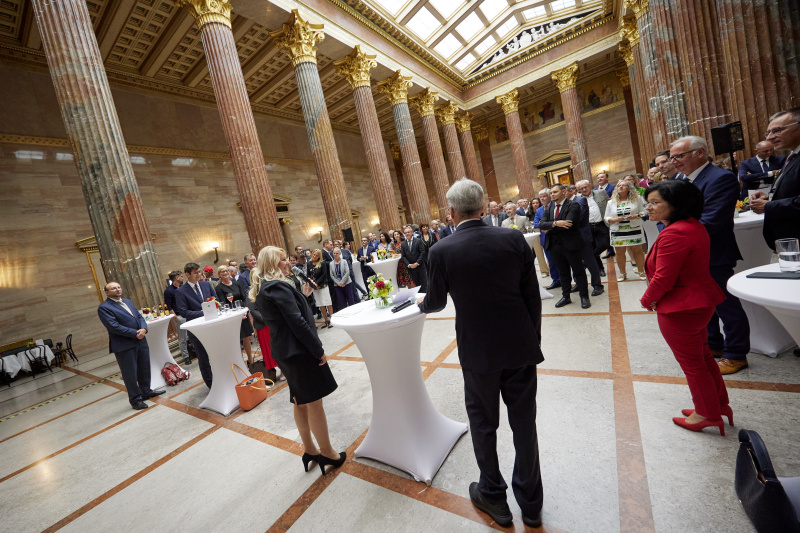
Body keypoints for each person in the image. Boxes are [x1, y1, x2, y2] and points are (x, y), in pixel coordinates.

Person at [418, 178, 544, 528]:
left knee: (483, 423)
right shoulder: (512, 238)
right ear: (484, 205)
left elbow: (437, 301)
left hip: (477, 351)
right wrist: (531, 339)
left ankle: (493, 494)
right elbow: (531, 295)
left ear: (452, 211)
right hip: (519, 345)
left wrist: (420, 303)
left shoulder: (441, 250)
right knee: (524, 424)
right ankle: (531, 504)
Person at [641, 180, 731, 435]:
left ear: (676, 205)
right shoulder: (691, 226)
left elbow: (664, 277)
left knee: (693, 364)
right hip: (698, 302)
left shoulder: (675, 232)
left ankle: (706, 413)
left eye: (655, 202)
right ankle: (718, 405)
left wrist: (647, 299)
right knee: (703, 357)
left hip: (681, 307)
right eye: (649, 202)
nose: (649, 207)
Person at [251, 246, 345, 475]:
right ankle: (328, 453)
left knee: (300, 401)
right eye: (283, 260)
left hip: (284, 352)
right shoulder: (278, 286)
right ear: (273, 264)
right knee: (314, 402)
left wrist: (302, 295)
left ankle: (311, 450)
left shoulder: (266, 288)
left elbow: (281, 317)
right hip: (299, 352)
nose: (288, 263)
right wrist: (317, 348)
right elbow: (297, 323)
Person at [670, 135, 751, 375]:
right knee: (702, 304)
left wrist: (676, 238)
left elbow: (712, 220)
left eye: (679, 156)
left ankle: (736, 353)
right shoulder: (680, 180)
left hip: (713, 252)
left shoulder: (720, 178)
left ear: (700, 153)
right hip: (689, 254)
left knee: (725, 304)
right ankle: (713, 344)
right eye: (672, 157)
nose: (674, 161)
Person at [98, 282, 165, 410]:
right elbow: (113, 326)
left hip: (140, 340)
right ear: (107, 293)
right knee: (130, 374)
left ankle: (146, 391)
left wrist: (144, 329)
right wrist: (135, 333)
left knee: (144, 367)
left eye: (118, 287)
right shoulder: (104, 307)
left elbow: (139, 317)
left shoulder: (128, 301)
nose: (117, 289)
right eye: (113, 288)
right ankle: (135, 400)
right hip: (124, 345)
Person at [751, 108, 800, 249]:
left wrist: (769, 206)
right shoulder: (792, 157)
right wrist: (771, 198)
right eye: (769, 132)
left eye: (778, 130)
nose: (769, 137)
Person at [539, 183, 590, 308]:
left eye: (555, 192)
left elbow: (569, 225)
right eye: (551, 193)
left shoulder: (573, 205)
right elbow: (541, 224)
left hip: (571, 244)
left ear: (564, 192)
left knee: (578, 271)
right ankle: (566, 296)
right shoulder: (549, 208)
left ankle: (584, 297)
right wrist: (556, 223)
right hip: (555, 246)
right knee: (563, 272)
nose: (552, 195)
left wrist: (550, 227)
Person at [175, 262, 215, 388]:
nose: (199, 275)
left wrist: (214, 307)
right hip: (196, 329)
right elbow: (183, 311)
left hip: (213, 326)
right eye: (196, 273)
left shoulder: (206, 284)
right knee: (203, 358)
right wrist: (201, 313)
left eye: (199, 272)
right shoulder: (181, 291)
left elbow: (216, 299)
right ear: (187, 274)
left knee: (217, 354)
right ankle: (211, 384)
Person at [604, 179, 647, 281]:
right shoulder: (611, 202)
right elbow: (606, 217)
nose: (621, 187)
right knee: (619, 252)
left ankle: (641, 271)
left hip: (634, 228)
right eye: (619, 186)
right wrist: (614, 219)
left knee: (637, 250)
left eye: (624, 185)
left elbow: (644, 212)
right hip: (617, 230)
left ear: (629, 188)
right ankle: (623, 273)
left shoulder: (637, 199)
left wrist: (636, 215)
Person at [215, 265, 255, 366]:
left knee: (247, 336)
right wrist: (236, 314)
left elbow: (244, 297)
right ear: (219, 275)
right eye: (222, 272)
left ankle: (250, 361)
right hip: (231, 315)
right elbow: (223, 303)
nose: (225, 273)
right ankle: (240, 362)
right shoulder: (219, 288)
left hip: (242, 311)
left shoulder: (236, 283)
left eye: (226, 271)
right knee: (237, 338)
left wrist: (245, 310)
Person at [570, 183, 605, 296]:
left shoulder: (580, 201)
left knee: (590, 260)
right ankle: (579, 283)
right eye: (581, 188)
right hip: (571, 237)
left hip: (584, 234)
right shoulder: (562, 204)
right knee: (575, 262)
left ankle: (597, 285)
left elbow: (578, 219)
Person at [577, 179, 610, 278]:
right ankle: (600, 269)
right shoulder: (577, 199)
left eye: (585, 187)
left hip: (601, 224)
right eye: (581, 188)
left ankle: (585, 261)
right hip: (587, 227)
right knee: (592, 247)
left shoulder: (601, 192)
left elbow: (609, 205)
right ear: (578, 190)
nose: (584, 189)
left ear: (590, 186)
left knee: (605, 244)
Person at [164, 270, 190, 365]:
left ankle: (192, 352)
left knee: (190, 335)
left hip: (187, 313)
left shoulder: (182, 287)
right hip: (178, 316)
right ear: (176, 278)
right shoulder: (168, 291)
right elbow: (168, 305)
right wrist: (174, 316)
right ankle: (186, 357)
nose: (183, 278)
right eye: (181, 276)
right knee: (182, 337)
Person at [534, 189, 559, 285]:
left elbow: (557, 221)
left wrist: (544, 224)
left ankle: (564, 280)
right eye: (540, 197)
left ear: (549, 196)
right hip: (545, 239)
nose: (542, 199)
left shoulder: (555, 206)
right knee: (551, 261)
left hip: (557, 237)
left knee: (560, 261)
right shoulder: (539, 210)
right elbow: (536, 224)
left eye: (544, 196)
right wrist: (548, 224)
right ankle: (555, 280)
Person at [308, 249, 333, 328]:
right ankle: (326, 320)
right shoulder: (309, 263)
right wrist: (312, 283)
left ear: (319, 256)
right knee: (320, 304)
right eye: (314, 254)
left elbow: (324, 274)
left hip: (323, 286)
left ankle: (332, 320)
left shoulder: (322, 262)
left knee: (327, 302)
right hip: (314, 287)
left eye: (316, 255)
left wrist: (317, 283)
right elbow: (308, 274)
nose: (314, 256)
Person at [401, 225, 428, 293]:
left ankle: (427, 300)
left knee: (424, 285)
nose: (407, 234)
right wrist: (409, 265)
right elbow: (403, 256)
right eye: (405, 233)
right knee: (417, 285)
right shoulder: (403, 244)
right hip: (411, 268)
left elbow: (422, 252)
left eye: (408, 232)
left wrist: (417, 263)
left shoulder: (418, 241)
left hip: (420, 266)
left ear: (412, 232)